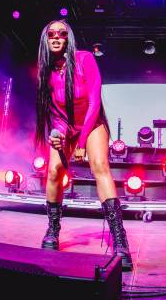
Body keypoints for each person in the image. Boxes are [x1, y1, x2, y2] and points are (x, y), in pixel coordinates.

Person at [34, 19, 133, 270]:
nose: (56, 37)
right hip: (65, 125)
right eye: (51, 34)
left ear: (68, 37)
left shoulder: (85, 59)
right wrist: (56, 133)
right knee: (54, 171)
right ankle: (52, 230)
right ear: (46, 39)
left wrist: (81, 140)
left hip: (92, 122)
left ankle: (120, 241)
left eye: (61, 33)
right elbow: (54, 110)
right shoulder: (45, 70)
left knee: (100, 165)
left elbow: (94, 101)